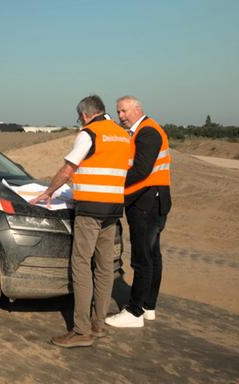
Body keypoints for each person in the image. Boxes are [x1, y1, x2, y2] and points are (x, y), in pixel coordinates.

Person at [29, 95, 131, 348]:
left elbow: (68, 169)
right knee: (105, 266)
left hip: (90, 210)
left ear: (85, 115)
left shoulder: (90, 134)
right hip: (114, 209)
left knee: (81, 264)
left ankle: (81, 330)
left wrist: (49, 191)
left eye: (79, 118)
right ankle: (98, 324)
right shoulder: (122, 135)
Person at [105, 95, 172, 328]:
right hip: (151, 201)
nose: (120, 116)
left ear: (136, 109)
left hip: (146, 203)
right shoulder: (142, 131)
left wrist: (114, 182)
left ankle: (134, 312)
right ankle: (148, 306)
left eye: (123, 111)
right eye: (118, 112)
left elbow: (141, 171)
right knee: (152, 256)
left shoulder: (147, 132)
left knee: (142, 259)